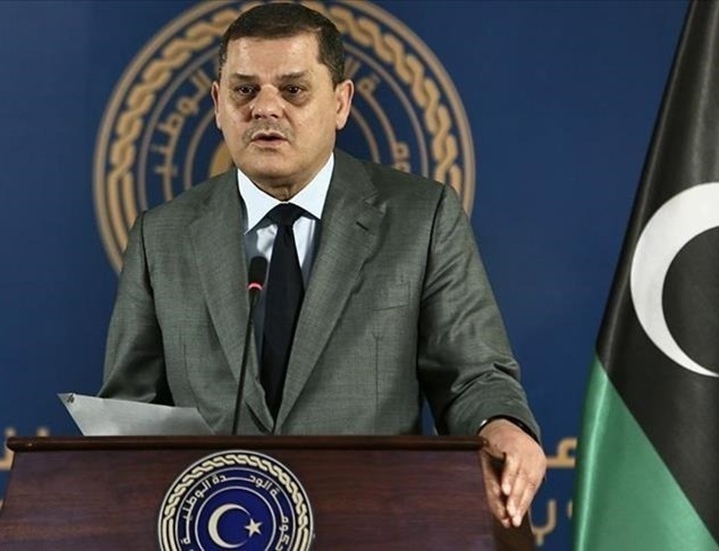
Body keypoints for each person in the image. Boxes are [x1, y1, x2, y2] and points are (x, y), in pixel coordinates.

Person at [100, 2, 546, 529]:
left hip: (372, 525)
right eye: (245, 90)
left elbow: (473, 376)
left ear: (340, 102)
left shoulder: (421, 218)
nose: (265, 108)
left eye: (293, 89)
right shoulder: (161, 235)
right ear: (218, 104)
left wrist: (501, 425)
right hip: (219, 528)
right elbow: (130, 414)